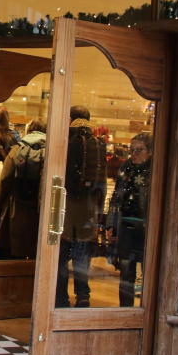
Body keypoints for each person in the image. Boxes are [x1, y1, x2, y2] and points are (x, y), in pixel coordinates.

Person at [56, 106, 105, 308]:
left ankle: (61, 297)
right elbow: (102, 183)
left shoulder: (65, 140)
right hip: (88, 207)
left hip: (66, 207)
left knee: (62, 256)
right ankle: (83, 296)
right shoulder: (98, 143)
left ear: (70, 118)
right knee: (82, 256)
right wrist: (99, 212)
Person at [107, 132, 152, 307]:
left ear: (149, 151)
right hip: (125, 225)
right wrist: (111, 224)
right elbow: (116, 197)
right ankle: (124, 310)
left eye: (139, 150)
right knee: (126, 273)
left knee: (149, 272)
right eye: (131, 150)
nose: (133, 154)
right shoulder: (125, 167)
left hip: (147, 228)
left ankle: (147, 312)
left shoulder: (155, 170)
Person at [0, 118, 47, 260]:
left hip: (16, 207)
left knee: (14, 251)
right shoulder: (51, 152)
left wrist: (0, 201)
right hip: (39, 211)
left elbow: (5, 178)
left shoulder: (17, 149)